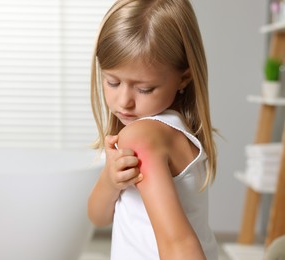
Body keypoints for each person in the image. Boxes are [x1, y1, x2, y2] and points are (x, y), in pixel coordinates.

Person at [87, 0, 218, 259]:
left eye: (144, 89)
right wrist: (110, 181)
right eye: (112, 82)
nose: (124, 101)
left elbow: (179, 244)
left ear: (184, 78)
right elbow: (98, 217)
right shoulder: (175, 130)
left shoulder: (141, 136)